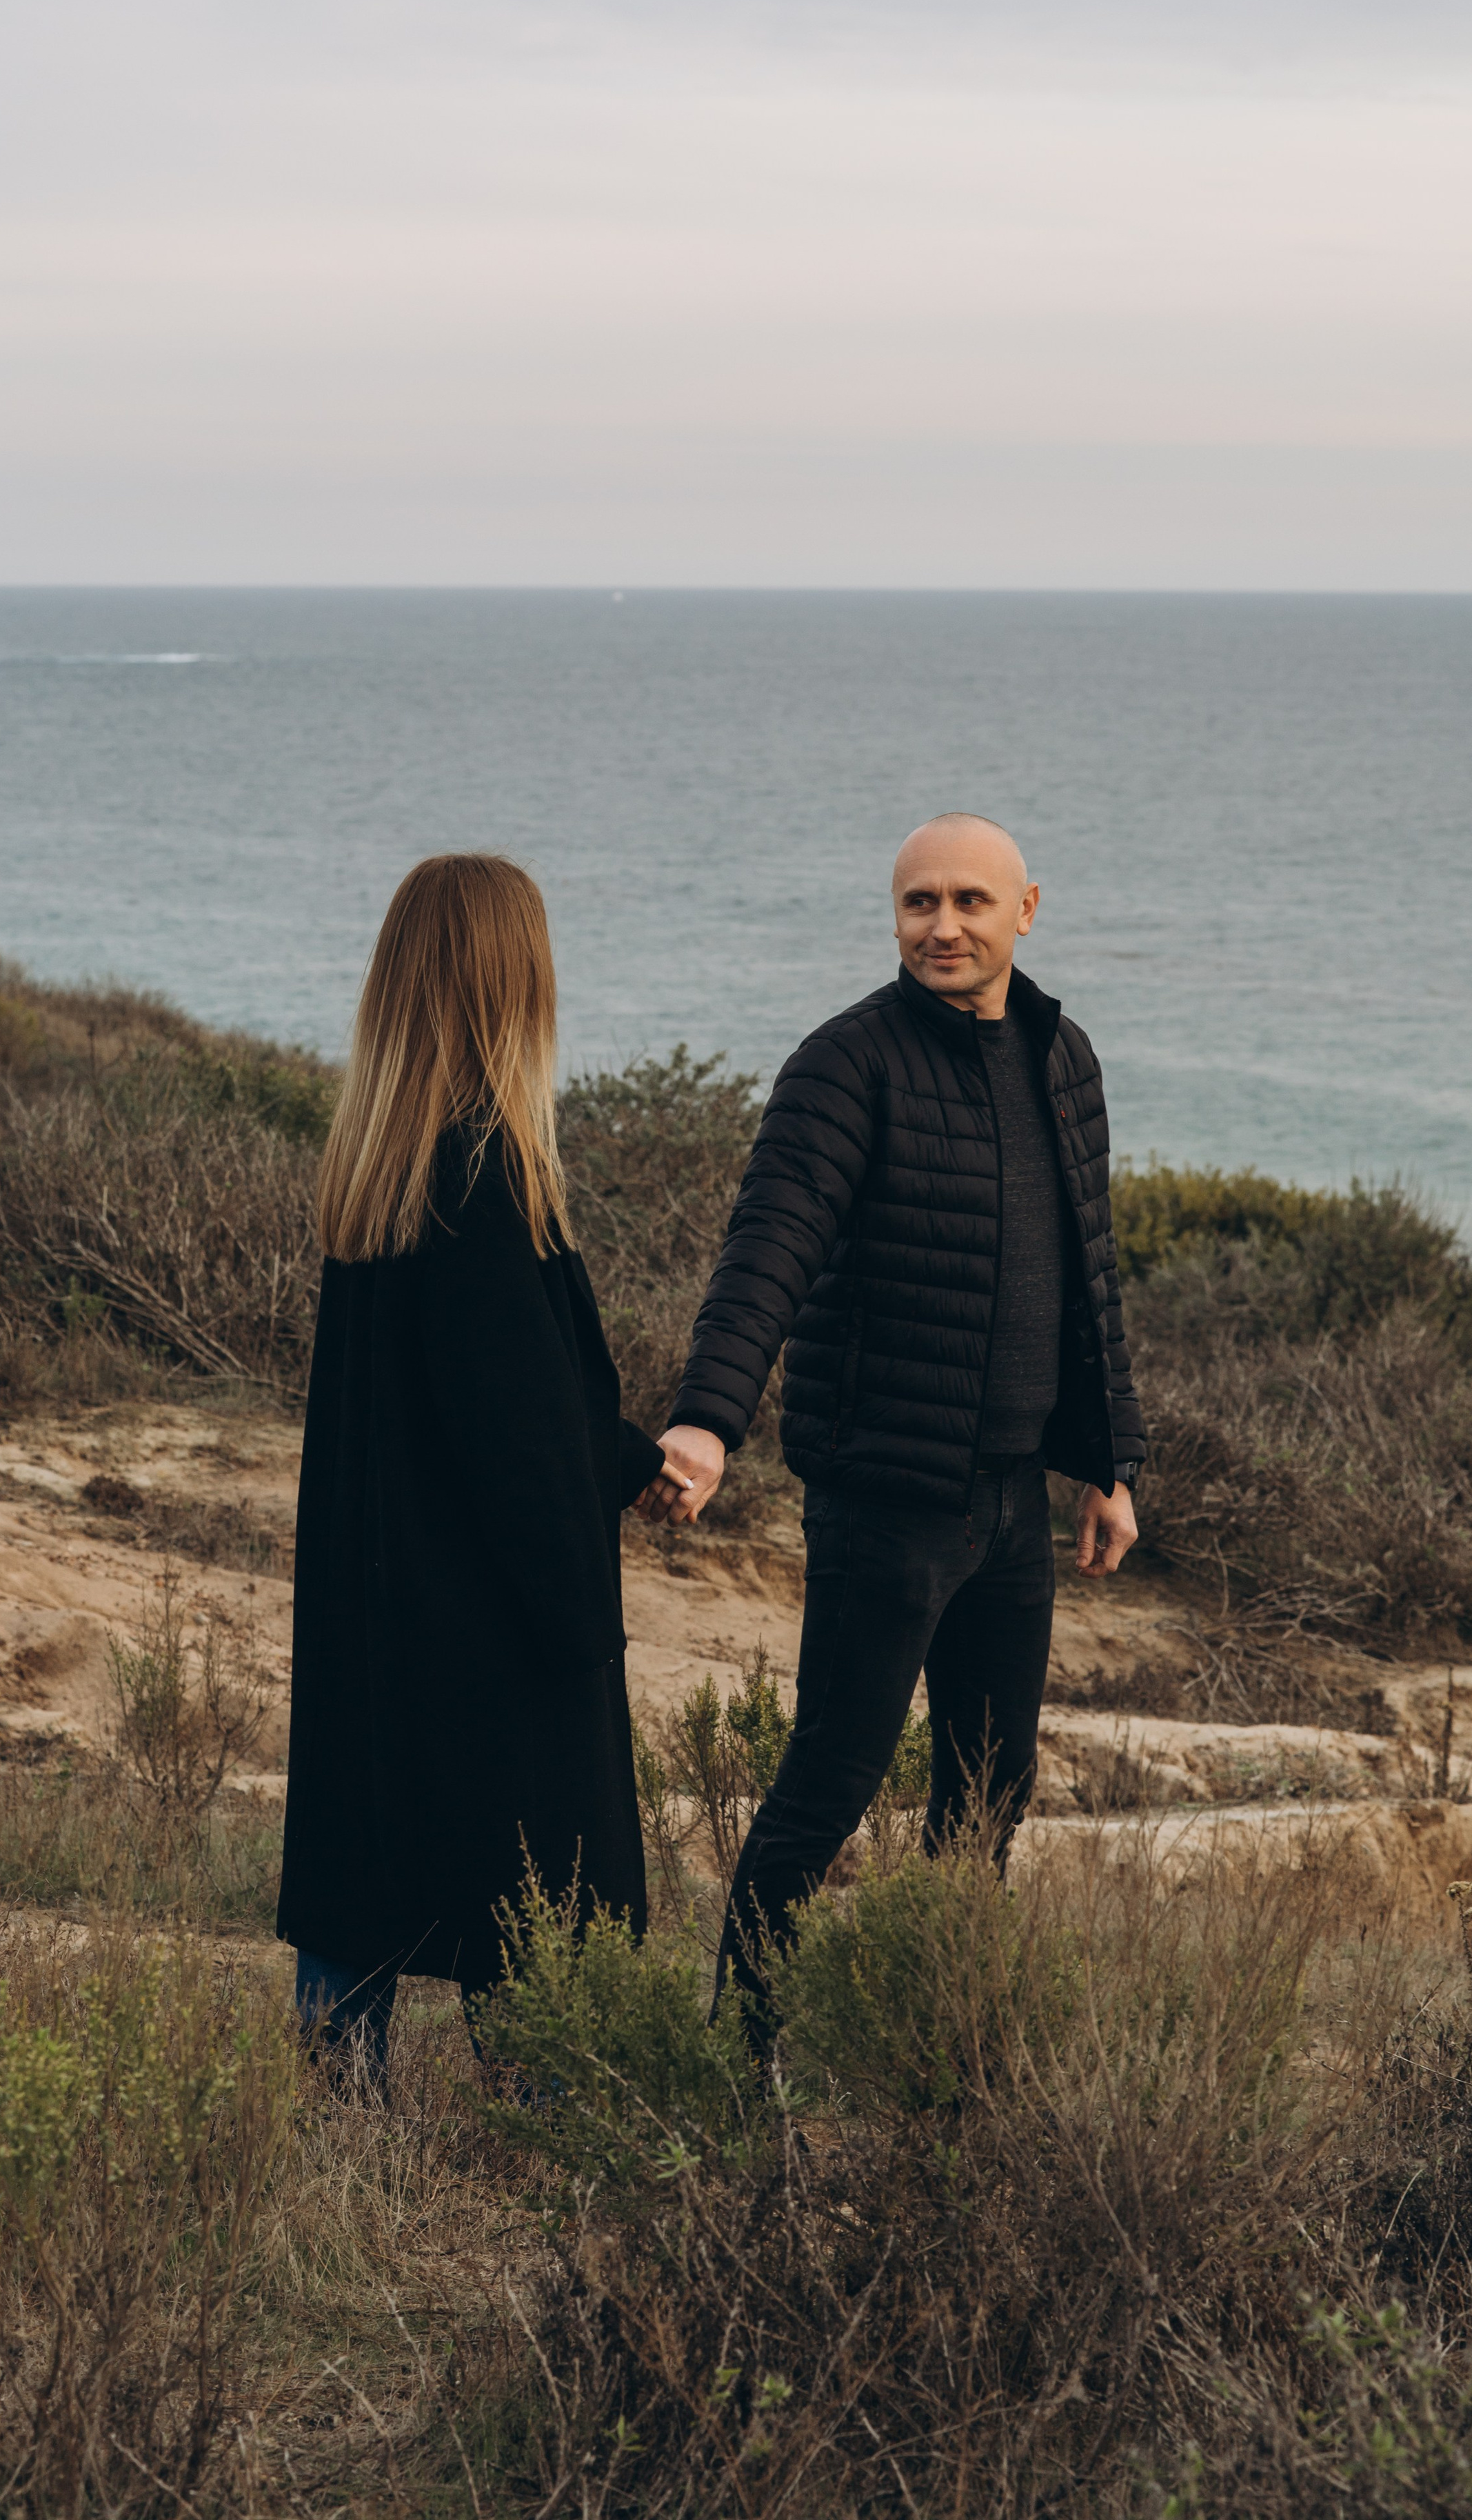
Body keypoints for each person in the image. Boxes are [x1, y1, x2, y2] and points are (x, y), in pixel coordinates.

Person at [640, 812, 1147, 2049]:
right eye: (920, 903)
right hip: (886, 1498)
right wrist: (710, 1420)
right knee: (830, 1784)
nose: (944, 926)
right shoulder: (847, 1064)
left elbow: (1090, 1272)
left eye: (972, 902)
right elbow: (768, 1250)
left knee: (989, 1793)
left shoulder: (1059, 1055)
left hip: (1011, 1499)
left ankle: (942, 2033)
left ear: (1027, 911)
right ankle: (743, 2045)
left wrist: (1113, 1463)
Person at [276, 852, 678, 2076]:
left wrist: (628, 1457)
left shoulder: (383, 1174)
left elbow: (487, 1403)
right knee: (543, 1885)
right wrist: (582, 1627)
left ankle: (337, 2124)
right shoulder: (481, 1176)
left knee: (369, 1864)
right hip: (487, 1627)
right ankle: (539, 2119)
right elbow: (519, 1441)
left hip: (383, 1606)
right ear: (514, 981)